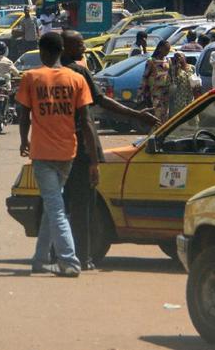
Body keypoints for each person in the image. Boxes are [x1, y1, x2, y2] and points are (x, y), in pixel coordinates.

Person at [60, 30, 159, 270]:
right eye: (79, 44)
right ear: (66, 47)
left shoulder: (47, 74)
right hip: (80, 147)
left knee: (60, 206)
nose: (84, 48)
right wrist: (136, 115)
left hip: (55, 148)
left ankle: (58, 254)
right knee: (84, 205)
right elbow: (98, 104)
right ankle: (83, 256)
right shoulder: (78, 72)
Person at [16, 32, 97, 277]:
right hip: (68, 153)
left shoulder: (31, 78)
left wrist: (23, 139)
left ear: (41, 52)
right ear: (62, 51)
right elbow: (87, 122)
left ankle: (69, 262)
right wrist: (93, 160)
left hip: (42, 154)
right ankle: (41, 259)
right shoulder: (76, 78)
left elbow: (23, 115)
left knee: (56, 207)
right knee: (54, 204)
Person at [137, 41, 173, 122]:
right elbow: (145, 77)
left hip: (166, 92)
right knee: (157, 113)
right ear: (160, 49)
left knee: (165, 114)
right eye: (166, 49)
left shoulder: (168, 60)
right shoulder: (151, 61)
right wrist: (141, 92)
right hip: (156, 92)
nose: (167, 51)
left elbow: (170, 75)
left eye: (168, 50)